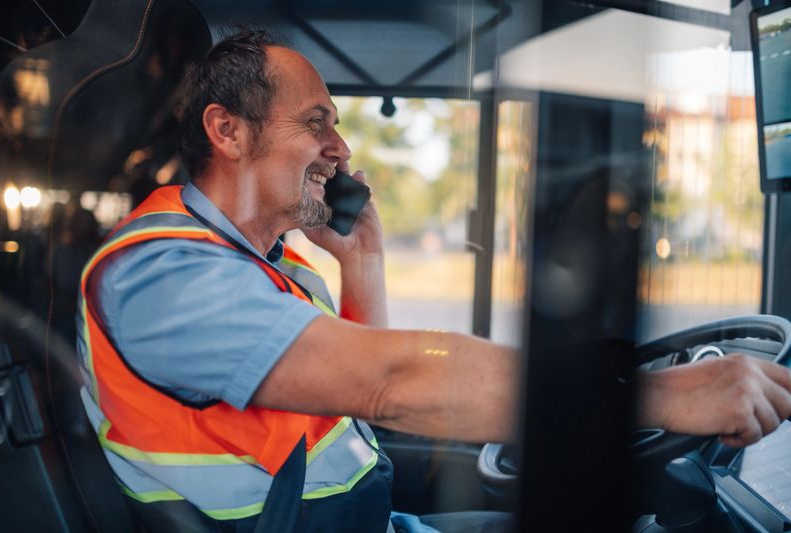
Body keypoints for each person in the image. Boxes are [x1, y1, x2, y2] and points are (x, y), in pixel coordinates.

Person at [76, 29, 791, 532]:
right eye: (315, 123)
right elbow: (394, 379)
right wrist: (656, 396)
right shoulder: (162, 274)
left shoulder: (272, 266)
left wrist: (362, 259)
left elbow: (358, 401)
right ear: (227, 132)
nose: (342, 148)